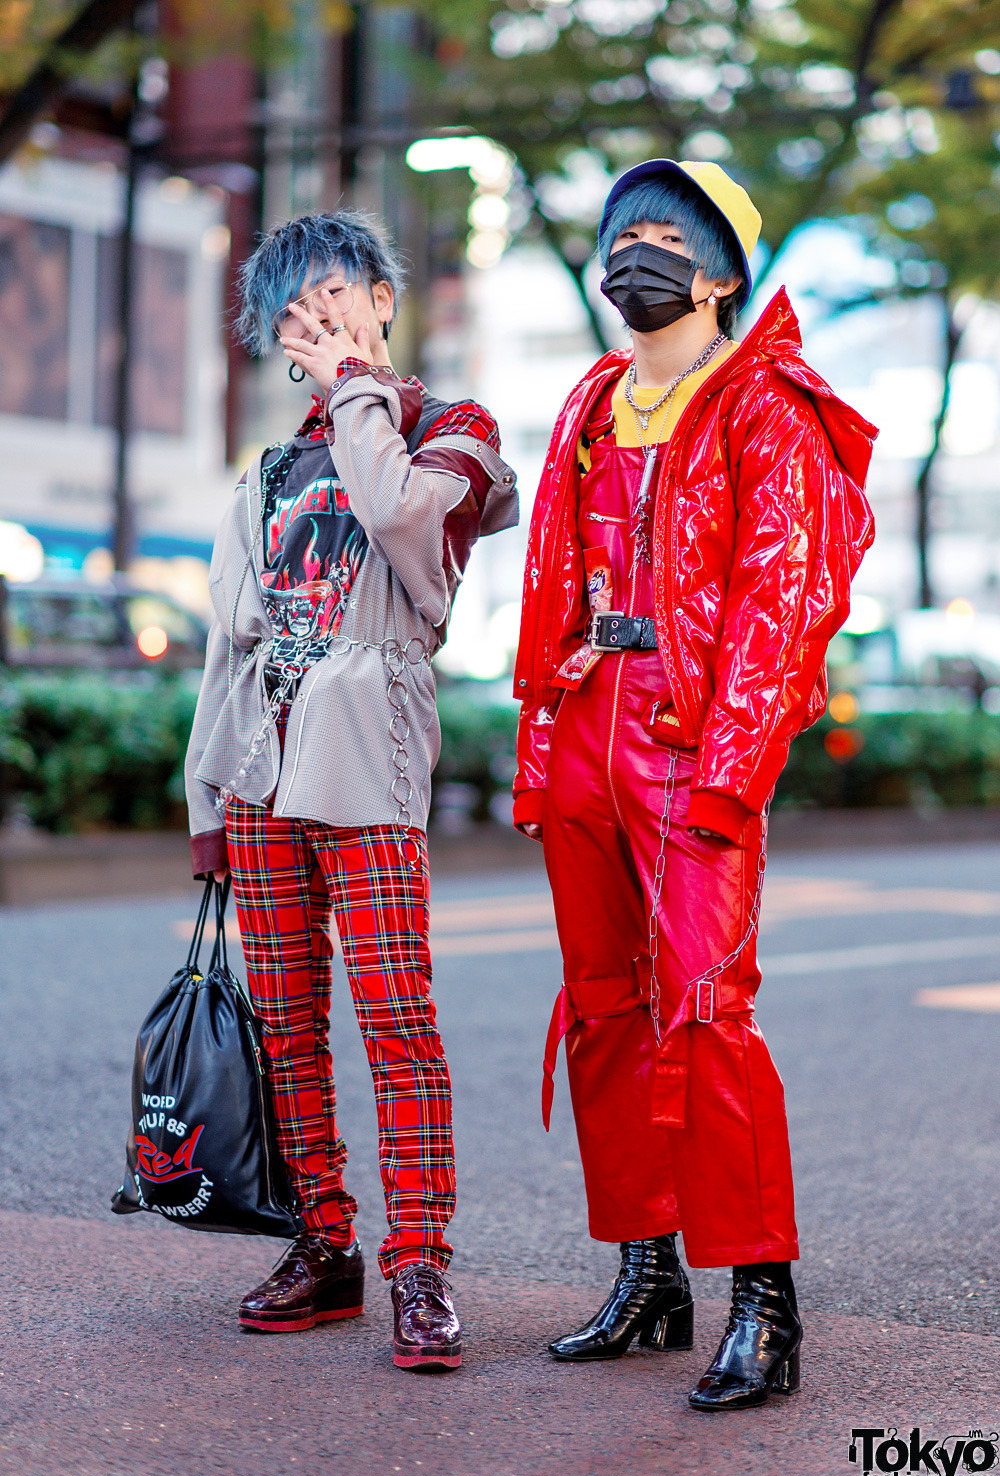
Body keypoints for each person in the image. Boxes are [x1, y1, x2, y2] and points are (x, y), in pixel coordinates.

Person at [512, 160, 876, 1410]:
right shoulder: (591, 399)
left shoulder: (768, 405)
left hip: (688, 739)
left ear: (723, 271)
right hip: (583, 731)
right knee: (604, 1010)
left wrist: (731, 769)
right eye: (623, 234)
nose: (638, 253)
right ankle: (647, 1272)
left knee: (706, 1015)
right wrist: (540, 741)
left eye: (670, 236)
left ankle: (763, 1302)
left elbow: (787, 606)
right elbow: (553, 586)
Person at [185, 209, 518, 1371]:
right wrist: (204, 802)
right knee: (284, 1025)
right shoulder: (269, 469)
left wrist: (358, 391)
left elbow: (399, 525)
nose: (317, 317)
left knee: (396, 1018)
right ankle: (323, 1244)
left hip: (367, 762)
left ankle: (418, 1263)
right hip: (259, 780)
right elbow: (227, 646)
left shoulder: (451, 430)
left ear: (382, 297)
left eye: (334, 291)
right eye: (292, 308)